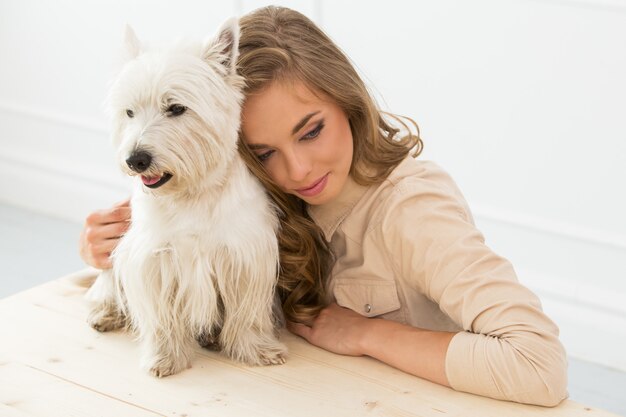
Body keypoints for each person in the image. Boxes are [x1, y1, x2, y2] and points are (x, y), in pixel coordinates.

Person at [79, 5, 568, 407]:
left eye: (311, 131)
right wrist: (102, 250)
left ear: (348, 102)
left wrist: (362, 334)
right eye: (264, 152)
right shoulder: (255, 188)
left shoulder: (414, 211)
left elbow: (539, 365)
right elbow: (173, 234)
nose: (297, 171)